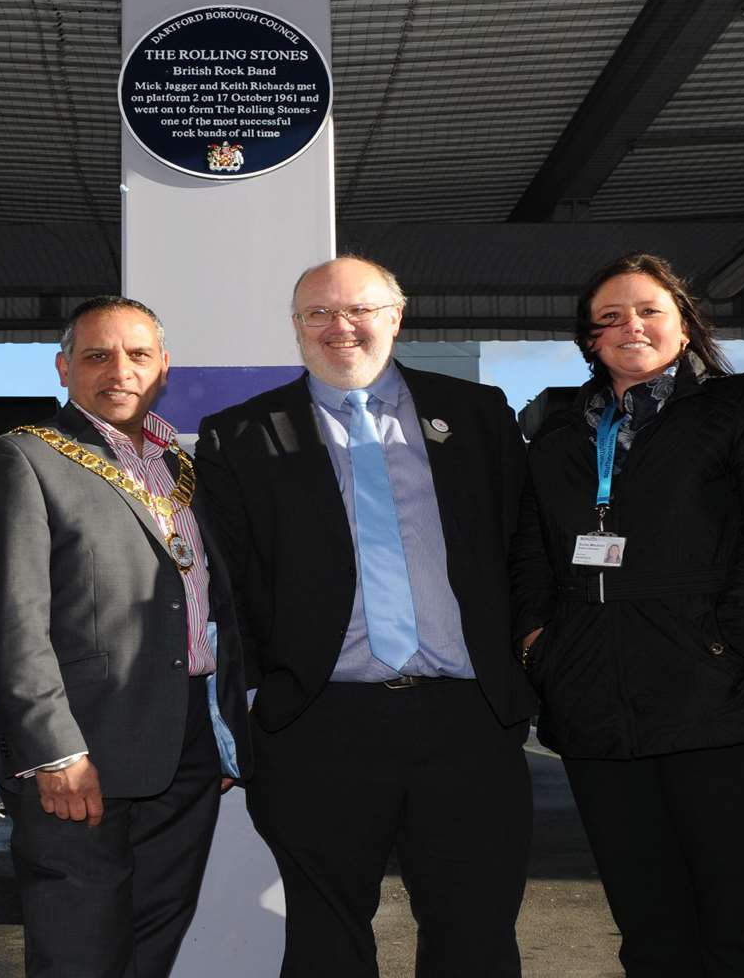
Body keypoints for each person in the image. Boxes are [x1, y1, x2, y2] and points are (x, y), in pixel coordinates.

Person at [196, 255, 536, 977]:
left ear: (396, 317)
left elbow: (523, 548)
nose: (339, 326)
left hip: (466, 721)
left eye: (358, 309)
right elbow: (232, 584)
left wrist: (526, 663)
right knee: (325, 941)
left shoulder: (477, 415)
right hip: (318, 723)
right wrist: (257, 702)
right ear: (296, 327)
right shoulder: (239, 434)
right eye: (318, 313)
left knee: (474, 934)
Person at [511, 253, 744, 976]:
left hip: (729, 706)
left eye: (649, 310)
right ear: (590, 340)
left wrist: (734, 646)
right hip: (597, 708)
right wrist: (539, 646)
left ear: (685, 324)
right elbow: (530, 552)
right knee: (651, 935)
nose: (631, 326)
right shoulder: (559, 432)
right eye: (610, 317)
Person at [0, 295, 250, 976]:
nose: (119, 370)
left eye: (138, 354)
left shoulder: (185, 469)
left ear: (164, 368)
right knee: (79, 952)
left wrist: (226, 728)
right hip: (81, 750)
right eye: (97, 355)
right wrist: (52, 752)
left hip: (188, 746)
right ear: (64, 368)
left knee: (154, 943)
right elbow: (10, 618)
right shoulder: (23, 459)